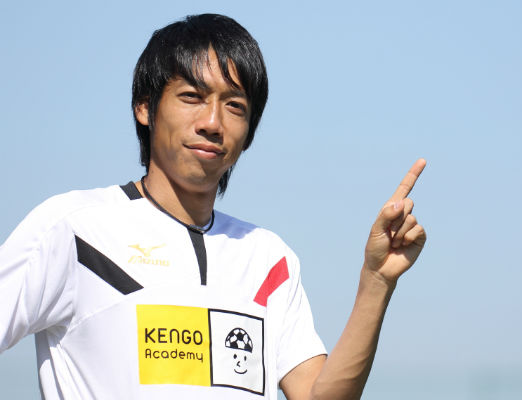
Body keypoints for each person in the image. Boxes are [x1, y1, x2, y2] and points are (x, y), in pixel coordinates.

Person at [0, 14, 426, 400]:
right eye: (192, 97)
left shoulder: (269, 259)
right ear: (145, 107)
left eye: (235, 105)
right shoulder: (75, 229)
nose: (212, 123)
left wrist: (376, 281)